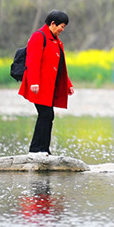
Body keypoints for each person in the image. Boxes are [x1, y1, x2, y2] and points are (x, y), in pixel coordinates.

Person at [18, 10, 75, 154]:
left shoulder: (55, 40)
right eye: (61, 26)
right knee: (46, 115)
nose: (62, 29)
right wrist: (34, 82)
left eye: (64, 27)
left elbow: (60, 64)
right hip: (39, 85)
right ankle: (37, 150)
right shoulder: (39, 36)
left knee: (48, 115)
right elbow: (33, 61)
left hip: (49, 86)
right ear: (53, 23)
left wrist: (68, 84)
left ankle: (43, 149)